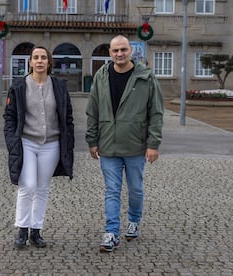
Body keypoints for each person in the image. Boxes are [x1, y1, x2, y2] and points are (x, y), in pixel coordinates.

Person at [85, 35, 164, 252]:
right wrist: (92, 140)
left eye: (123, 49)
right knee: (112, 190)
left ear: (131, 51)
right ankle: (111, 232)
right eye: (115, 50)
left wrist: (153, 143)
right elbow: (92, 110)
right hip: (108, 144)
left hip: (136, 146)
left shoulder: (146, 77)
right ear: (110, 53)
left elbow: (156, 112)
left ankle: (134, 220)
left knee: (136, 189)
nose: (119, 54)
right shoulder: (101, 76)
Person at [3, 46, 74, 249]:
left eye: (43, 57)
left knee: (42, 188)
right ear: (31, 62)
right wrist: (12, 141)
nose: (40, 61)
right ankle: (22, 229)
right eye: (36, 57)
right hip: (26, 142)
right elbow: (9, 117)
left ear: (49, 62)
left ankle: (36, 230)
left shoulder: (59, 86)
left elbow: (68, 116)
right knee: (28, 186)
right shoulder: (19, 86)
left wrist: (68, 141)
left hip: (51, 144)